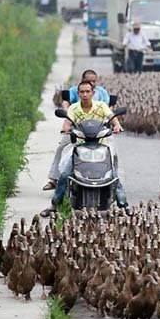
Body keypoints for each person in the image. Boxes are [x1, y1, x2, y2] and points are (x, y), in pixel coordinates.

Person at [40, 81, 126, 217]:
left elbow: (112, 118)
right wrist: (66, 128)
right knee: (65, 174)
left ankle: (123, 204)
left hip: (101, 146)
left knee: (113, 175)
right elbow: (67, 121)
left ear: (93, 93)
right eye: (82, 92)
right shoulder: (73, 108)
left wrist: (117, 126)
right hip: (79, 146)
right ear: (78, 93)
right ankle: (53, 205)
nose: (85, 94)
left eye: (88, 91)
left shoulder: (101, 106)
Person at [43, 70, 110, 191]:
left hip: (97, 131)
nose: (91, 83)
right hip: (77, 130)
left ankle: (113, 184)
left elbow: (109, 108)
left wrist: (114, 124)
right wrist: (66, 122)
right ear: (82, 81)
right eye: (89, 81)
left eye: (94, 81)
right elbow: (66, 103)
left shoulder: (102, 93)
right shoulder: (74, 92)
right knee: (62, 147)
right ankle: (53, 179)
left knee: (111, 153)